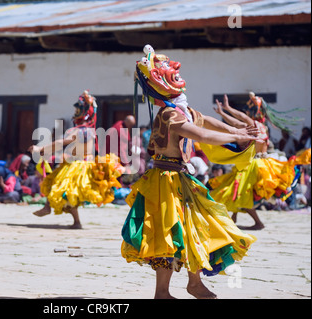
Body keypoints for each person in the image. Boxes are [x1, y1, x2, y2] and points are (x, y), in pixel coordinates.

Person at [121, 45, 257, 299]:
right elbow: (202, 133)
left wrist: (234, 133)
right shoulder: (170, 114)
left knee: (195, 227)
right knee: (170, 234)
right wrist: (237, 134)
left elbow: (204, 121)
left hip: (180, 177)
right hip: (165, 181)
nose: (176, 71)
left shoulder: (180, 109)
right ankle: (163, 291)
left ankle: (193, 283)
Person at [208, 93, 310, 229]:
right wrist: (224, 112)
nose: (245, 112)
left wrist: (227, 108)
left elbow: (239, 121)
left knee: (240, 193)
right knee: (237, 191)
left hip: (254, 165)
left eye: (248, 109)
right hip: (261, 163)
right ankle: (234, 218)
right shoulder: (262, 127)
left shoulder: (254, 125)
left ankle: (257, 223)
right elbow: (237, 123)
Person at [29, 90, 123, 229]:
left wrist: (40, 149)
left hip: (76, 166)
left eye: (77, 109)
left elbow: (61, 143)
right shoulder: (90, 130)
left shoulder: (78, 130)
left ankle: (53, 210)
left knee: (62, 188)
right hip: (84, 164)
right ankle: (72, 219)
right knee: (61, 188)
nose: (75, 112)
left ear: (83, 111)